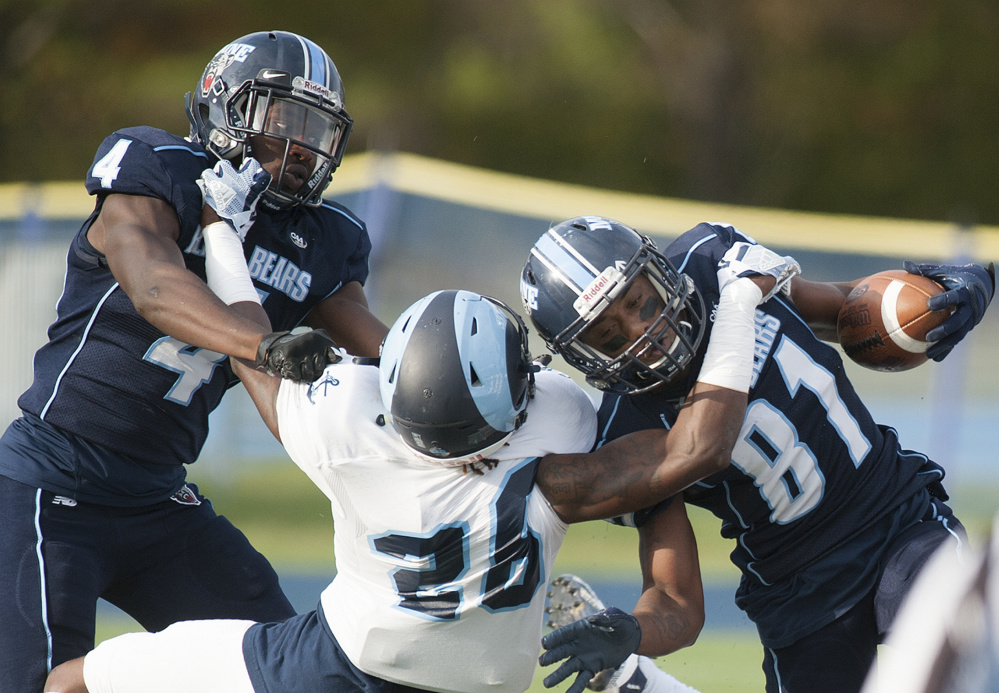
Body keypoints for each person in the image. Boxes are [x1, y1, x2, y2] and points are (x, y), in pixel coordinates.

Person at [44, 254, 766, 693]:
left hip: (327, 671)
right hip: (476, 683)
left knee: (74, 680)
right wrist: (737, 300)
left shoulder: (344, 428)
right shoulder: (561, 445)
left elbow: (247, 347)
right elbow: (695, 449)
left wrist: (225, 231)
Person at [0, 30, 389, 692]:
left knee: (292, 675)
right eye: (283, 119)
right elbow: (152, 284)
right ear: (225, 108)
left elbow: (382, 349)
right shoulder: (156, 165)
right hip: (48, 483)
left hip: (158, 499)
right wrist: (260, 343)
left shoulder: (324, 239)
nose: (302, 147)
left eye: (317, 129)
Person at [520, 215, 995, 693]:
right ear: (584, 355)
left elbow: (841, 311)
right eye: (610, 337)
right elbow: (676, 601)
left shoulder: (711, 264)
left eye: (640, 302)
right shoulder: (627, 429)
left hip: (896, 521)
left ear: (658, 272)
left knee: (977, 656)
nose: (642, 331)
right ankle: (641, 683)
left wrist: (939, 301)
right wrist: (636, 631)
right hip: (799, 595)